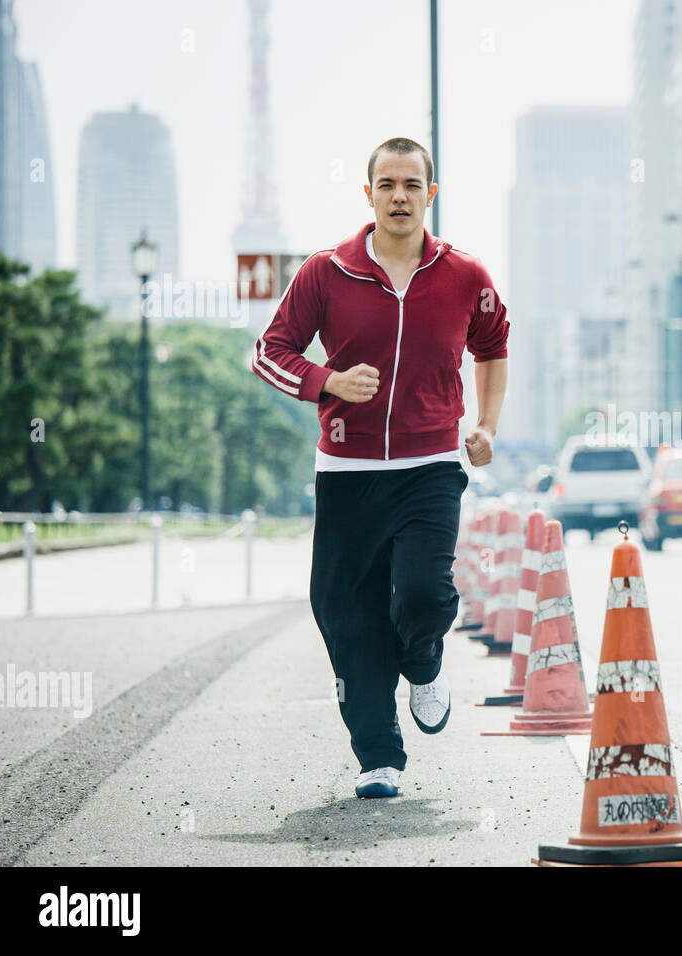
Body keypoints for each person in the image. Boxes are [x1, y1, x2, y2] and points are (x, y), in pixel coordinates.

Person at [251, 137, 509, 798]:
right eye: (387, 184)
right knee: (346, 611)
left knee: (423, 593)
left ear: (431, 194)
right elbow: (270, 352)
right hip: (347, 472)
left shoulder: (464, 276)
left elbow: (493, 344)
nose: (400, 196)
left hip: (430, 464)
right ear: (368, 194)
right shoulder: (326, 272)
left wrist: (485, 425)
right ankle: (378, 757)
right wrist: (327, 380)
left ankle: (423, 659)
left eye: (412, 184)